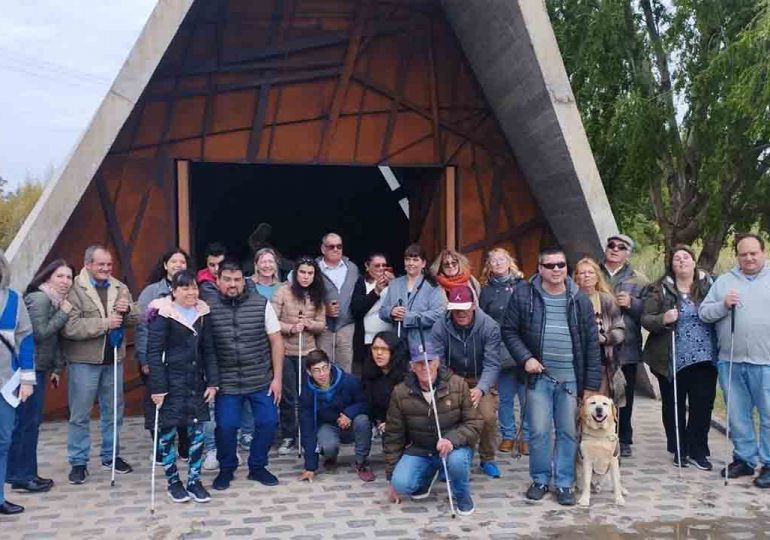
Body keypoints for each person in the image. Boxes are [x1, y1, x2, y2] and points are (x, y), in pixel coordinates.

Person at [501, 247, 601, 506]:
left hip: (570, 379)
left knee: (567, 432)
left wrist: (590, 385)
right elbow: (509, 331)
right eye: (550, 265)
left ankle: (565, 483)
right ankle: (541, 479)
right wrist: (526, 358)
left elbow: (591, 343)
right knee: (540, 432)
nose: (557, 269)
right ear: (540, 268)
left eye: (561, 264)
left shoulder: (579, 299)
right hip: (539, 378)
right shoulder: (524, 294)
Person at [202, 259, 283, 490]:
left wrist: (277, 378)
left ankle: (257, 466)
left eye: (237, 280)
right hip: (226, 381)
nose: (232, 285)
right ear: (217, 281)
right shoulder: (206, 307)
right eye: (227, 280)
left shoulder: (261, 303)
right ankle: (226, 469)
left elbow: (276, 341)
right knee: (226, 427)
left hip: (260, 378)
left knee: (268, 422)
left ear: (243, 280)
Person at [61, 245, 140, 485]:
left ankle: (111, 456)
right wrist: (104, 323)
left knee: (113, 412)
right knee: (80, 414)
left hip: (113, 358)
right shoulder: (74, 289)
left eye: (109, 264)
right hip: (84, 361)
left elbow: (136, 317)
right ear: (88, 264)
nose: (106, 268)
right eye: (100, 264)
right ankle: (78, 462)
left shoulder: (120, 287)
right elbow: (70, 328)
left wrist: (128, 311)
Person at [699, 233, 770, 487]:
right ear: (737, 256)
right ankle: (744, 459)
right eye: (743, 254)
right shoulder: (724, 282)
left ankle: (769, 463)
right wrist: (723, 305)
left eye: (754, 253)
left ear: (763, 252)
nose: (749, 258)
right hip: (731, 361)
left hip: (766, 362)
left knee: (769, 414)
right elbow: (704, 313)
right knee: (738, 415)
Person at [384, 336, 482, 516]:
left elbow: (474, 423)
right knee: (401, 483)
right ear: (411, 366)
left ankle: (462, 496)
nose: (425, 367)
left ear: (437, 362)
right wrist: (391, 477)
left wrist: (451, 440)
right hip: (420, 449)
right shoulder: (400, 392)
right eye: (419, 363)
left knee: (457, 461)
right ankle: (428, 475)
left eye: (429, 361)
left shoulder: (457, 385)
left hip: (454, 447)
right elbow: (393, 435)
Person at [642, 245, 717, 470]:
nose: (682, 261)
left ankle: (698, 450)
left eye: (686, 257)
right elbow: (646, 318)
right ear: (671, 265)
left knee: (702, 406)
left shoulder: (711, 285)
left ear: (694, 262)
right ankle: (679, 449)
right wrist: (663, 319)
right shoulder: (659, 289)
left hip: (705, 357)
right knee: (673, 407)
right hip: (671, 358)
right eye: (677, 259)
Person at [147, 270, 218, 503]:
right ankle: (173, 482)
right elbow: (154, 352)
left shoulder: (202, 313)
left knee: (197, 433)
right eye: (185, 288)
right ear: (174, 291)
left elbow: (208, 349)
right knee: (168, 434)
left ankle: (194, 481)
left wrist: (213, 382)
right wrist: (157, 388)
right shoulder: (162, 313)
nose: (191, 292)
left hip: (195, 382)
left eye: (194, 287)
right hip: (170, 382)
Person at [6, 260, 73, 493]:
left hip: (39, 367)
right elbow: (39, 333)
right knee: (26, 422)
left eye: (69, 277)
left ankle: (24, 472)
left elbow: (53, 342)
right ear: (47, 278)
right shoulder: (40, 299)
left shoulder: (52, 299)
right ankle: (22, 474)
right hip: (28, 369)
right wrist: (63, 314)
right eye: (60, 276)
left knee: (29, 422)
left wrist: (56, 367)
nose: (65, 281)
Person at [432, 285, 502, 478]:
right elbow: (438, 361)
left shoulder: (490, 326)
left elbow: (492, 364)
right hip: (452, 379)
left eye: (464, 307)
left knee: (487, 417)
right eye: (456, 308)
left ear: (473, 305)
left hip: (480, 379)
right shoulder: (440, 326)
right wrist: (451, 383)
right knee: (448, 416)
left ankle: (487, 458)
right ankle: (449, 459)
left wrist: (480, 389)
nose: (461, 312)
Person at [135, 249, 191, 462]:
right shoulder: (151, 292)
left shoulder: (192, 290)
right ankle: (161, 447)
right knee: (157, 403)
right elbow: (142, 328)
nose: (178, 264)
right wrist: (145, 358)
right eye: (173, 261)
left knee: (184, 401)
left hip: (182, 358)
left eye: (182, 261)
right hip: (157, 357)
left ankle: (184, 445)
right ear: (165, 265)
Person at [272, 257, 327, 456]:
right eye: (302, 272)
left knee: (308, 395)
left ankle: (309, 436)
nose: (305, 276)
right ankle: (288, 436)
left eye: (310, 273)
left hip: (308, 352)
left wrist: (309, 324)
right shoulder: (282, 291)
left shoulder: (318, 293)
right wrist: (291, 327)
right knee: (288, 396)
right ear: (296, 273)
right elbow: (271, 321)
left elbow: (322, 323)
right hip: (286, 352)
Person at [600, 234, 649, 458]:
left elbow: (649, 315)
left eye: (621, 247)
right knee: (598, 392)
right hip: (597, 345)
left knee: (623, 395)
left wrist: (633, 304)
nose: (615, 249)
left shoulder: (640, 280)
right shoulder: (592, 271)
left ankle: (624, 437)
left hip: (626, 347)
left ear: (628, 253)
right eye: (611, 245)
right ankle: (596, 432)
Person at [479, 247, 529, 456]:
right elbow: (482, 319)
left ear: (510, 262)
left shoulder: (523, 286)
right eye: (494, 261)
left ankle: (526, 436)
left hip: (524, 346)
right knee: (506, 396)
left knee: (526, 397)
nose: (498, 263)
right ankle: (508, 435)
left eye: (502, 260)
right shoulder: (487, 289)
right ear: (489, 266)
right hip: (500, 348)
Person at [297, 349, 375, 483]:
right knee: (328, 446)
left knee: (363, 420)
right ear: (309, 372)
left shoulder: (349, 381)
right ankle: (330, 457)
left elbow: (366, 403)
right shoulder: (306, 393)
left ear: (330, 365)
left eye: (324, 368)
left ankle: (361, 462)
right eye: (316, 370)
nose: (322, 374)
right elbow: (307, 428)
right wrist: (310, 467)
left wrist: (349, 414)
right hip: (328, 426)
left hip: (352, 424)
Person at [0, 249, 36, 515]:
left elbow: (25, 340)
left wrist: (26, 379)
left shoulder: (14, 299)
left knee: (3, 440)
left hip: (5, 381)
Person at [242, 247, 282, 451]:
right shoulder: (247, 285)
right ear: (256, 264)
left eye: (270, 261)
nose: (267, 265)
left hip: (277, 341)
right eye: (263, 261)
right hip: (253, 342)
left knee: (274, 384)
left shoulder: (284, 287)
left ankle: (272, 429)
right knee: (252, 386)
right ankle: (248, 431)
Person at [573, 257, 626, 402]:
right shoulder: (570, 300)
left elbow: (620, 330)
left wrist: (605, 338)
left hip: (603, 361)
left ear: (597, 277)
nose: (587, 276)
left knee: (600, 406)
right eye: (582, 273)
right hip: (577, 361)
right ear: (576, 278)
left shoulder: (607, 300)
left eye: (590, 272)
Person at [379, 243, 446, 343]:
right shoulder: (394, 284)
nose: (411, 263)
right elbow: (382, 311)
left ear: (423, 263)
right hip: (398, 342)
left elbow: (439, 314)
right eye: (407, 259)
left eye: (415, 260)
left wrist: (409, 317)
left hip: (424, 342)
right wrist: (391, 312)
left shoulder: (433, 286)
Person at [316, 233, 360, 374]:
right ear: (323, 249)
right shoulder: (313, 268)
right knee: (322, 367)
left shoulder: (352, 268)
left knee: (345, 368)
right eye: (331, 246)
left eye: (339, 246)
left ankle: (344, 396)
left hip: (346, 325)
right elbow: (302, 296)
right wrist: (323, 310)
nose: (336, 249)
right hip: (323, 326)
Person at [361, 331, 409, 438]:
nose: (378, 353)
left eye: (384, 349)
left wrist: (392, 423)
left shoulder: (407, 376)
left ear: (394, 351)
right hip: (382, 425)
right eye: (375, 348)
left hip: (407, 427)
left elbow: (411, 410)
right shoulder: (369, 373)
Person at [351, 252, 394, 371]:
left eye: (384, 265)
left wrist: (395, 284)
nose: (381, 269)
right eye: (377, 265)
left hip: (389, 338)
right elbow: (356, 310)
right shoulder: (361, 283)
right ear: (367, 266)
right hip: (367, 340)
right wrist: (375, 292)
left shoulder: (394, 283)